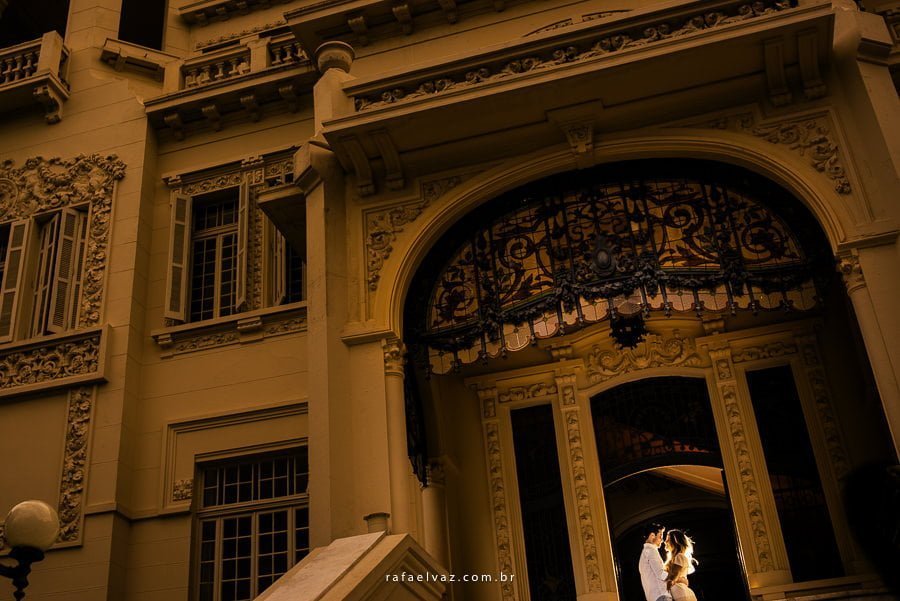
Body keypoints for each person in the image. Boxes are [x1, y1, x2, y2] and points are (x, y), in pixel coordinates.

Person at [638, 523, 671, 601]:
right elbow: (661, 574)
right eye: (660, 536)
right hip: (661, 596)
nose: (662, 540)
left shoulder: (646, 552)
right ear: (652, 535)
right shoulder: (650, 551)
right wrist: (678, 578)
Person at [664, 529, 698, 601]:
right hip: (679, 592)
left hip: (681, 593)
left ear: (675, 541)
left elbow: (672, 577)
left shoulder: (679, 556)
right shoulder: (675, 558)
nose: (665, 542)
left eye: (668, 539)